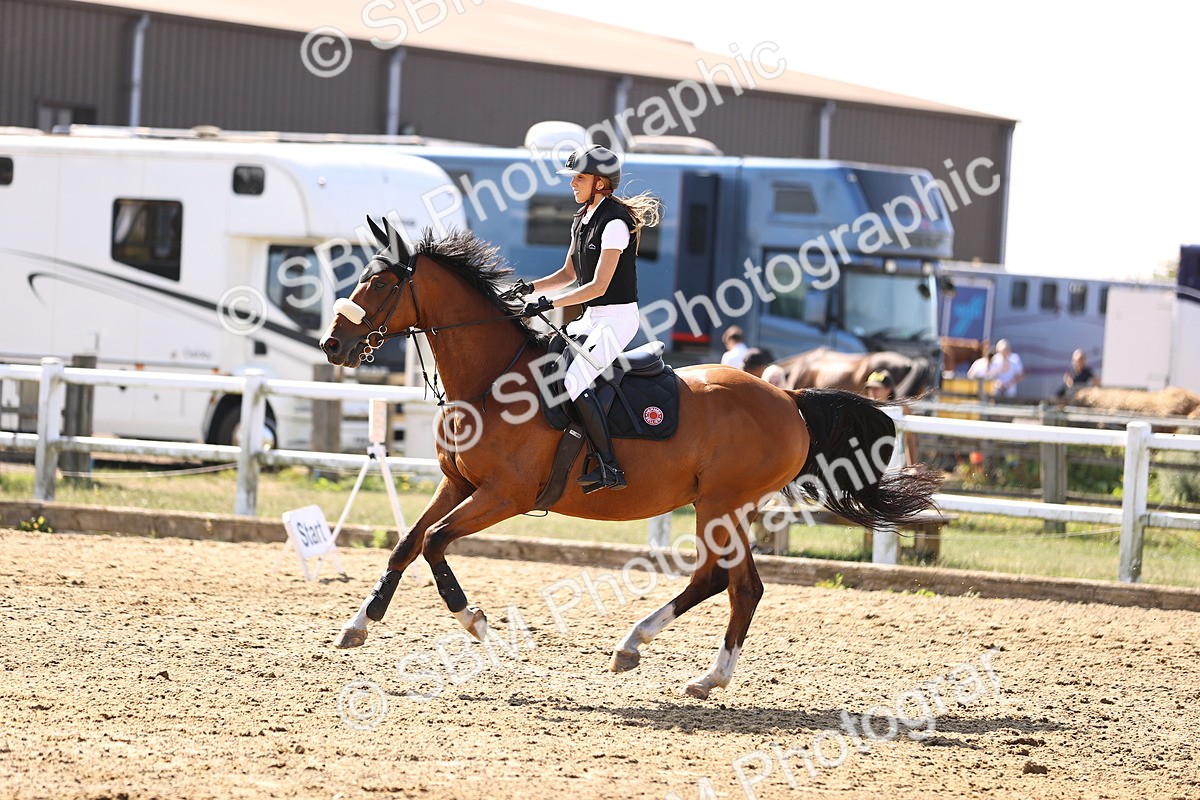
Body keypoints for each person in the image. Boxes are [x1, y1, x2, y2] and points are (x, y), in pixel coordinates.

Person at [515, 144, 661, 492]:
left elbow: (597, 286)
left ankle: (610, 466)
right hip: (592, 317)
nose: (572, 184)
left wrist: (548, 304)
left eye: (579, 177)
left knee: (576, 381)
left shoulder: (614, 224)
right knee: (547, 364)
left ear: (600, 183)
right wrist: (528, 288)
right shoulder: (582, 218)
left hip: (617, 320)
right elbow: (568, 272)